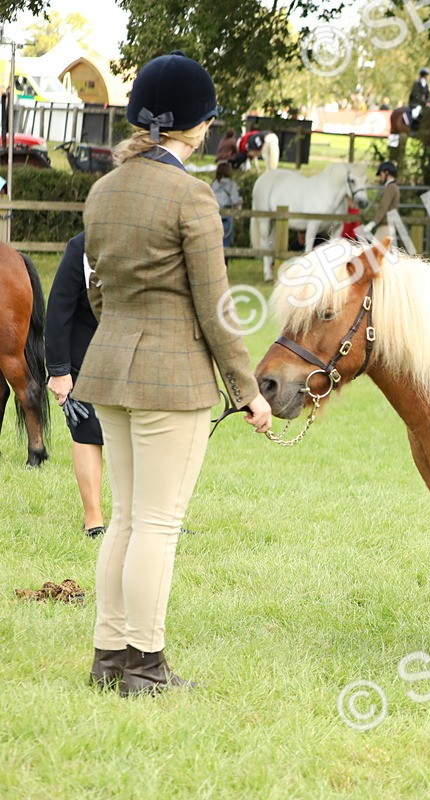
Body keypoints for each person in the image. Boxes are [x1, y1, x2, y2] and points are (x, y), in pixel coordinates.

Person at [74, 50, 272, 697]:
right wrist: (248, 392)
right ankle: (146, 666)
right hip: (171, 379)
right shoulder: (191, 195)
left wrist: (126, 326)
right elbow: (217, 310)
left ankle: (109, 656)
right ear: (198, 126)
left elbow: (97, 289)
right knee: (156, 524)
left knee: (127, 518)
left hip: (108, 366)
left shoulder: (103, 190)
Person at [45, 232, 105, 539]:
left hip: (140, 356)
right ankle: (93, 519)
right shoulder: (80, 246)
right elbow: (58, 309)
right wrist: (58, 370)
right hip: (85, 352)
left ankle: (150, 520)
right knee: (87, 431)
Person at [365, 161, 401, 238]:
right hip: (387, 225)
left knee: (376, 249)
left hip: (386, 225)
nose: (380, 177)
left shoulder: (391, 187)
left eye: (381, 174)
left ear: (387, 172)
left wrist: (373, 223)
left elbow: (383, 206)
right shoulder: (392, 186)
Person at [211, 160, 241, 249]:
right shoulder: (231, 184)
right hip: (227, 215)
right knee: (226, 241)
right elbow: (235, 200)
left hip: (214, 213)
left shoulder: (214, 184)